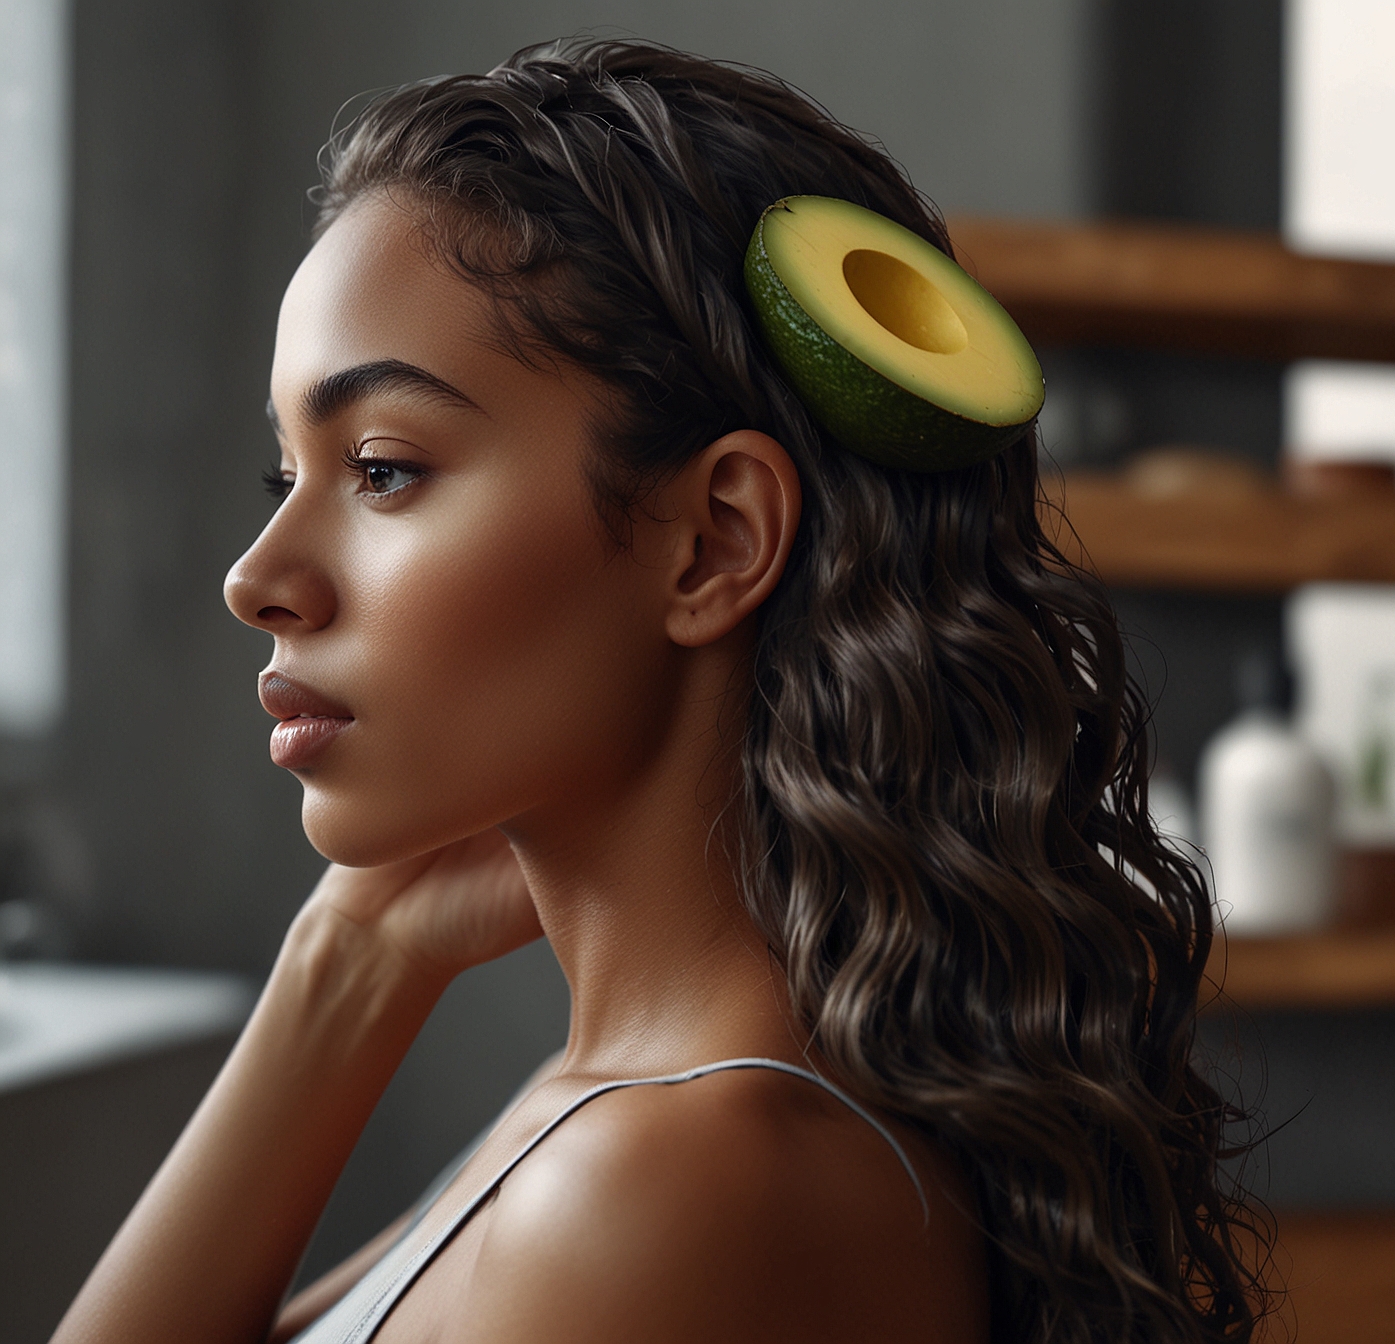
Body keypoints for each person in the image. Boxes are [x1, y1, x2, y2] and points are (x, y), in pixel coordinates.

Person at [53, 38, 1263, 1344]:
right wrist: (350, 964)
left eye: (386, 468)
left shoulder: (662, 1183)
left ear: (715, 541)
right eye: (288, 476)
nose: (259, 578)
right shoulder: (617, 1111)